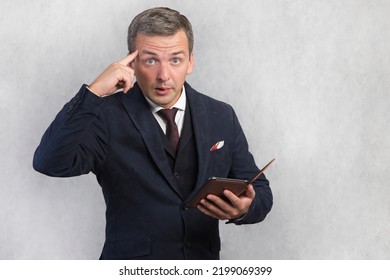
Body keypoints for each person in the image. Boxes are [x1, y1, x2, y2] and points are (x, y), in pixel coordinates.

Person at [33, 7, 272, 260]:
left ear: (190, 61)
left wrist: (244, 209)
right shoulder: (105, 115)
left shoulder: (221, 114)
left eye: (175, 60)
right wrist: (92, 94)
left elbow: (260, 191)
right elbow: (49, 162)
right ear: (131, 62)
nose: (163, 76)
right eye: (150, 60)